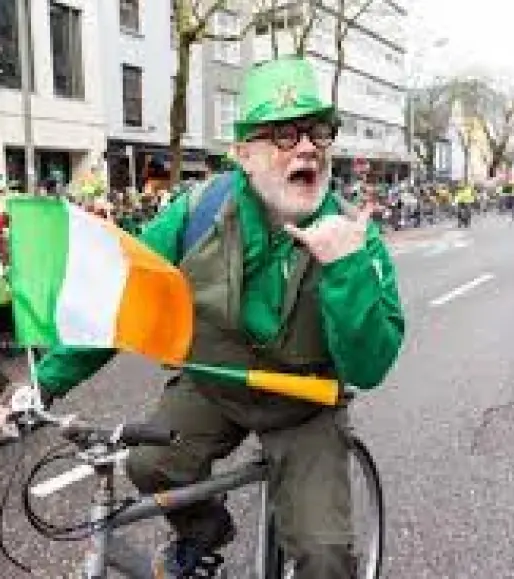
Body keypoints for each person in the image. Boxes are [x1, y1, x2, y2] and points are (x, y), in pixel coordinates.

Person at [34, 57, 405, 578]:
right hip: (215, 385)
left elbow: (369, 368)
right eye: (282, 135)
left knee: (324, 558)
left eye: (316, 132)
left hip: (304, 407)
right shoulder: (197, 212)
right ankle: (205, 535)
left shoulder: (353, 237)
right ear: (243, 155)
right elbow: (123, 296)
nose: (306, 148)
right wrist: (43, 383)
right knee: (148, 465)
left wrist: (345, 272)